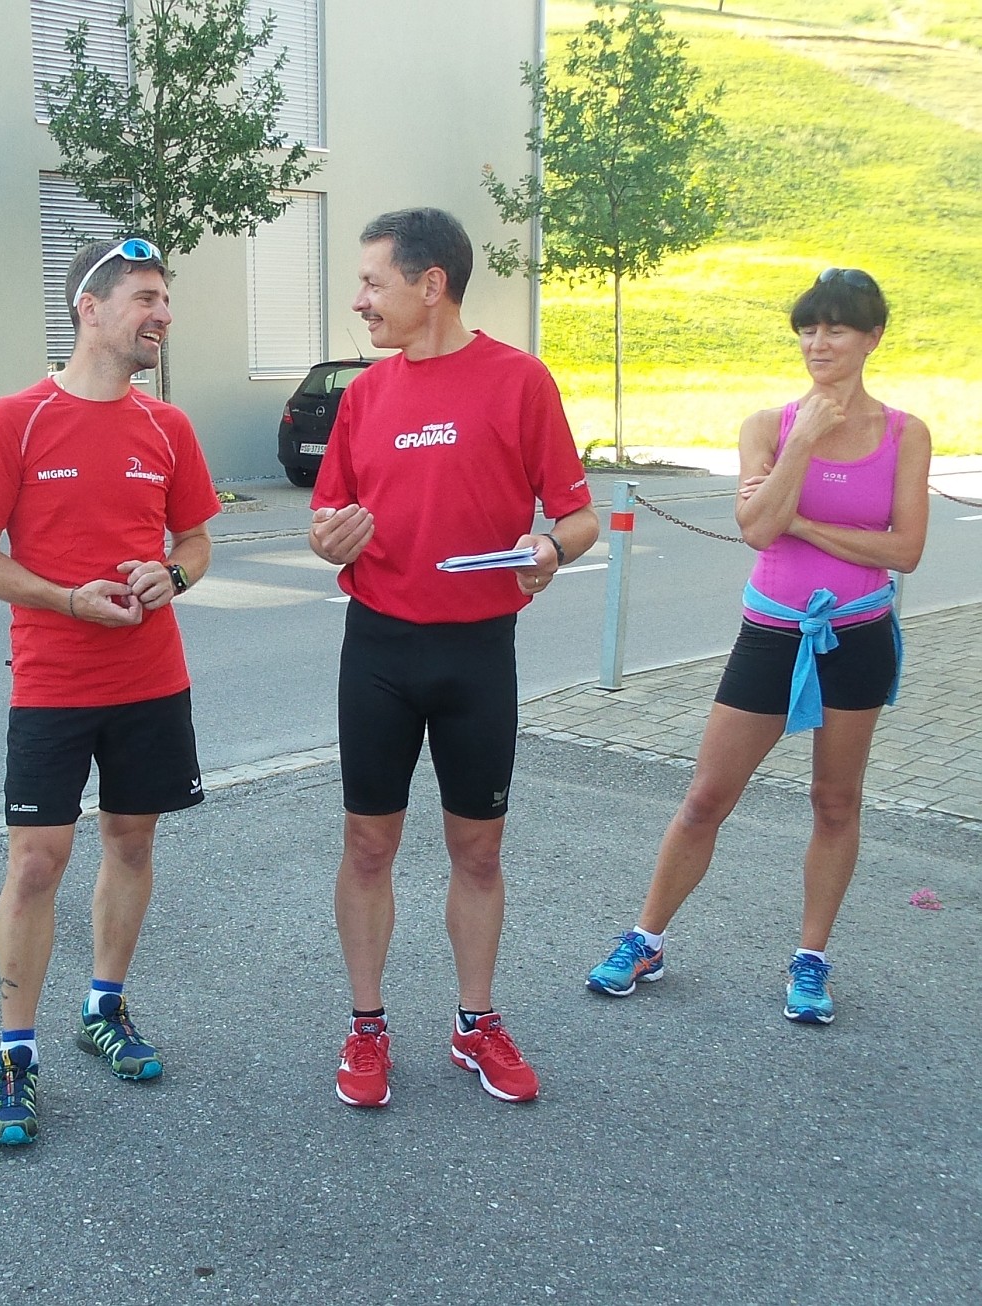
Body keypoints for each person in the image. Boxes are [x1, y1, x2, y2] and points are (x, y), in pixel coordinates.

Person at [309, 207, 598, 1108]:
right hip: (380, 650)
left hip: (479, 653)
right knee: (368, 846)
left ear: (430, 283)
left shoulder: (519, 382)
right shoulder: (364, 394)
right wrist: (330, 540)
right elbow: (326, 520)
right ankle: (366, 1031)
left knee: (478, 851)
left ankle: (474, 1025)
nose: (359, 300)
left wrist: (552, 551)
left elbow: (577, 517)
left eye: (372, 282)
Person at [587, 269, 928, 1025]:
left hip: (857, 635)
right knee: (707, 795)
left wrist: (803, 522)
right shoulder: (767, 426)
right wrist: (803, 443)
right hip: (771, 635)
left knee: (834, 801)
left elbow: (904, 550)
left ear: (872, 337)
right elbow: (756, 529)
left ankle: (811, 959)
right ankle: (646, 938)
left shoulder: (906, 433)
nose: (819, 342)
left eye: (837, 328)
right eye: (809, 327)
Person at [0, 236, 220, 1146]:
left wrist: (169, 580)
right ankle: (13, 1054)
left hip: (151, 678)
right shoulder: (15, 420)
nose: (163, 316)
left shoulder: (168, 427)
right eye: (146, 298)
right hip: (54, 681)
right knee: (36, 863)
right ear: (90, 308)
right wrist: (64, 598)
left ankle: (103, 1006)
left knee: (131, 842)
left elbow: (196, 544)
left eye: (166, 302)